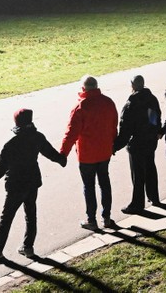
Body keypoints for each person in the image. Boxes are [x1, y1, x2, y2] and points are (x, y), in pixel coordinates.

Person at [0, 109, 67, 261]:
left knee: (6, 218)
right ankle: (28, 247)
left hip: (16, 185)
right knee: (30, 214)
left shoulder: (11, 144)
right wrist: (61, 160)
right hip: (32, 182)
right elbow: (51, 154)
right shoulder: (38, 137)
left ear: (17, 123)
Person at [59, 75, 118, 231]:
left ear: (83, 88)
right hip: (105, 151)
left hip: (87, 155)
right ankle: (106, 217)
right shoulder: (108, 102)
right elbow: (114, 126)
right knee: (105, 183)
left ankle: (91, 219)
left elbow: (70, 133)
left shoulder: (80, 107)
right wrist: (113, 143)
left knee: (89, 186)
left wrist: (63, 153)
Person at [113, 75, 162, 214]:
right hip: (150, 141)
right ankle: (154, 197)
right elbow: (155, 120)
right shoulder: (152, 99)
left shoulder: (131, 104)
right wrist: (155, 132)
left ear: (132, 86)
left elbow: (125, 130)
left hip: (137, 143)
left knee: (138, 174)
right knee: (150, 168)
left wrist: (116, 146)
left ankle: (137, 204)